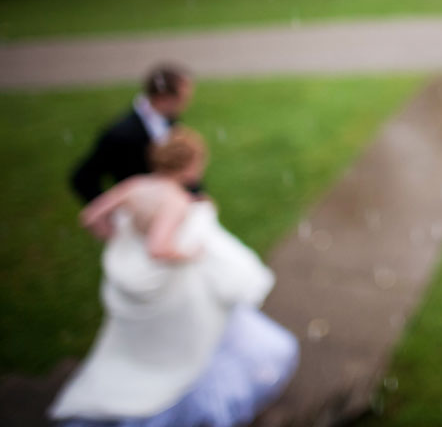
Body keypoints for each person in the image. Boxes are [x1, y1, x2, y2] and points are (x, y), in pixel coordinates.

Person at [49, 127, 298, 426]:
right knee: (186, 344)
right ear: (191, 165)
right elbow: (159, 248)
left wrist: (116, 238)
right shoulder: (176, 200)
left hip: (141, 277)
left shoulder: (135, 184)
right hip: (166, 279)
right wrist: (191, 253)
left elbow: (90, 216)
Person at [70, 63, 196, 204]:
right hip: (141, 212)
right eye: (183, 99)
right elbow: (83, 178)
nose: (186, 104)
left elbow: (179, 165)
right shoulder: (121, 134)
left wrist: (195, 193)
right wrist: (114, 214)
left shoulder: (170, 119)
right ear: (163, 98)